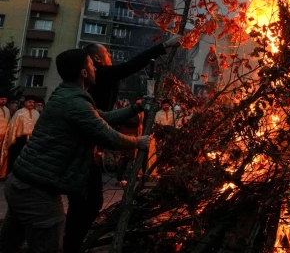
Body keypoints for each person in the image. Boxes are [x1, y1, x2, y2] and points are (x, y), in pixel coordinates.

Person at [0, 49, 151, 253]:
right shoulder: (75, 103)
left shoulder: (68, 94)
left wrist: (136, 108)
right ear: (83, 72)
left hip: (21, 183)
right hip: (37, 192)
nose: (95, 69)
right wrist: (138, 141)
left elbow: (103, 117)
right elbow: (108, 136)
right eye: (91, 65)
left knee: (8, 245)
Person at [59, 36, 180, 253]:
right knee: (87, 200)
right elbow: (130, 66)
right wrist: (164, 46)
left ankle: (72, 242)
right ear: (96, 59)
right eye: (106, 53)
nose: (110, 57)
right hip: (82, 148)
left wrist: (136, 107)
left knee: (86, 200)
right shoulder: (101, 75)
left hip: (88, 146)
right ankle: (71, 245)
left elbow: (104, 115)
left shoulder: (98, 80)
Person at [0, 96, 40, 178]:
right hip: (19, 139)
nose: (31, 104)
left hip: (32, 140)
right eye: (29, 102)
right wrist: (12, 139)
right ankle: (10, 175)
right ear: (25, 103)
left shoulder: (37, 113)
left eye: (33, 102)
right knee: (14, 157)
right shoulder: (19, 113)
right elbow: (12, 126)